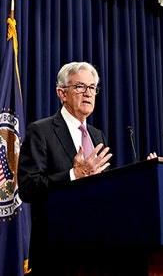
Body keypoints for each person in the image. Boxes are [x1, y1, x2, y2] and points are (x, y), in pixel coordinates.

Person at [17, 61, 112, 274]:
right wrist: (73, 174)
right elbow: (27, 187)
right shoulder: (41, 131)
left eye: (92, 88)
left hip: (99, 248)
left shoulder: (98, 136)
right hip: (57, 251)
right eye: (80, 87)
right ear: (62, 93)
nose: (88, 93)